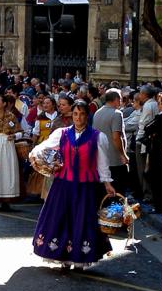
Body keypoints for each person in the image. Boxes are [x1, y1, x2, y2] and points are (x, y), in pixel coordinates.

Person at [30, 100, 116, 269]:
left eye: (82, 114)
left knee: (82, 221)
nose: (78, 117)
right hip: (63, 186)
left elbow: (102, 164)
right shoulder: (61, 133)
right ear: (72, 115)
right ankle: (62, 257)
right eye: (75, 114)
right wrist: (35, 156)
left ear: (87, 116)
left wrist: (107, 183)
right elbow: (43, 147)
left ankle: (79, 259)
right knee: (61, 219)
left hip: (86, 187)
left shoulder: (98, 137)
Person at [92, 88, 130, 196]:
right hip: (115, 160)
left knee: (103, 194)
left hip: (100, 158)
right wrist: (123, 155)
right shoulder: (117, 113)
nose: (121, 102)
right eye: (121, 99)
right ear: (116, 99)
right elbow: (116, 137)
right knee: (117, 193)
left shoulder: (97, 113)